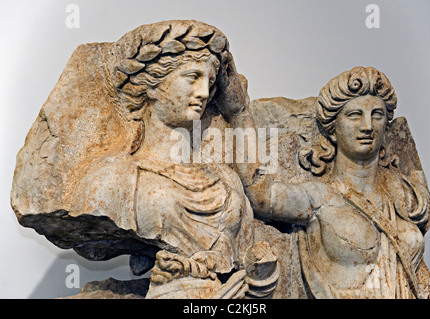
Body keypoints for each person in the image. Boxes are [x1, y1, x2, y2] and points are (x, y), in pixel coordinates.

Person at [69, 20, 277, 299]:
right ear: (153, 84)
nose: (204, 92)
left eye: (210, 82)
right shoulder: (112, 182)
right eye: (192, 77)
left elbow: (260, 200)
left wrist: (239, 113)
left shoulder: (223, 179)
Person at [253, 66, 430, 298]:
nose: (368, 126)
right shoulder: (317, 197)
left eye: (377, 115)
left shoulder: (404, 193)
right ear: (332, 130)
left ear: (386, 128)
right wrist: (237, 113)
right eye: (355, 115)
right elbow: (262, 197)